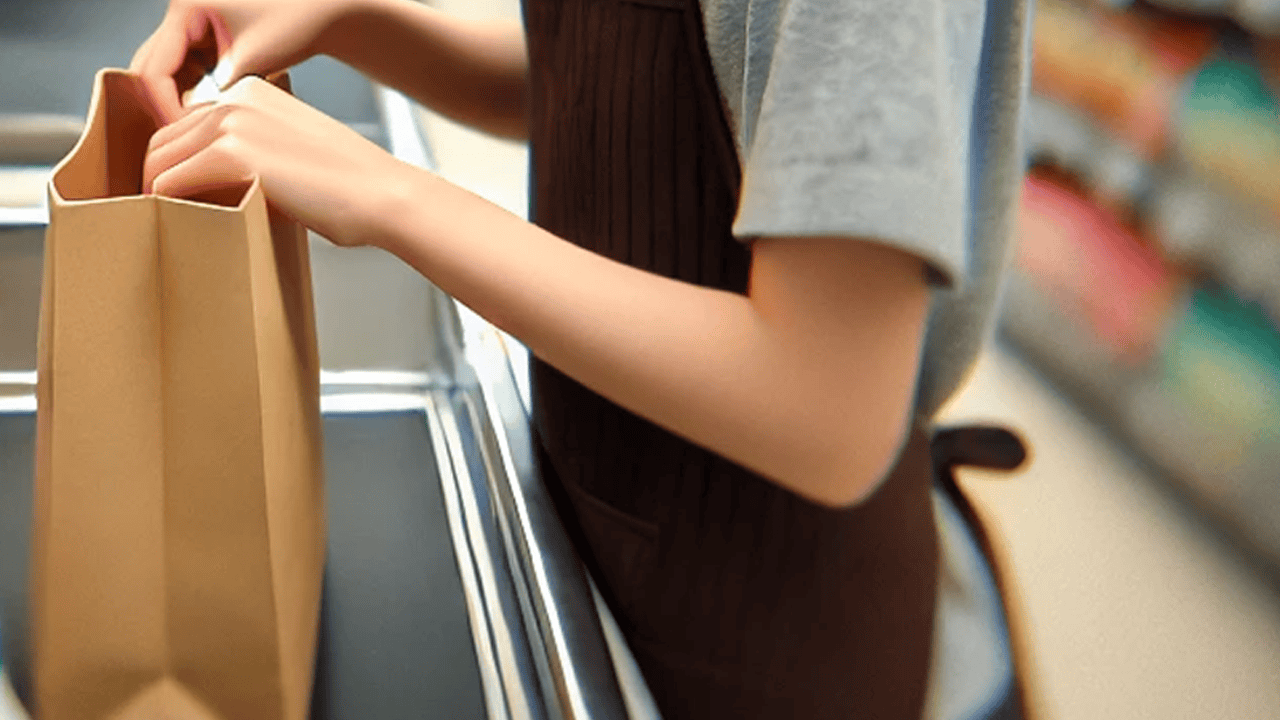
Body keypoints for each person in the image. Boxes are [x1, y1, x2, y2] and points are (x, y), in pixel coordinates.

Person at [130, 0, 1035, 717]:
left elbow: (825, 408)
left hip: (772, 633)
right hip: (612, 551)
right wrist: (356, 17)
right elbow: (614, 81)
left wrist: (385, 194)